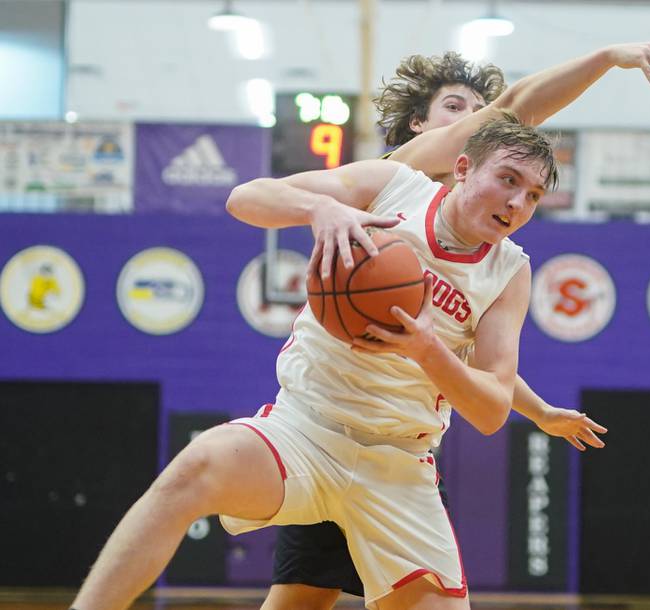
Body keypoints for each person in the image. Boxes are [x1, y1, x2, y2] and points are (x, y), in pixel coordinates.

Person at [264, 41, 650, 610]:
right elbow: (516, 104)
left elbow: (473, 362)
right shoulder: (396, 179)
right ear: (421, 127)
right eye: (457, 109)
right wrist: (606, 58)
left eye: (479, 111)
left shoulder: (497, 258)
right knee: (301, 598)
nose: (476, 121)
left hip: (398, 452)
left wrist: (536, 409)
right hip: (330, 426)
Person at [72, 113, 557, 610]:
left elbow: (492, 409)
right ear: (462, 168)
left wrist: (427, 350)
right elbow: (244, 198)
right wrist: (320, 208)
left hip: (398, 464)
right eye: (508, 180)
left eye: (533, 196)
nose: (517, 203)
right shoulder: (394, 187)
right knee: (194, 469)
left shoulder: (509, 272)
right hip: (305, 430)